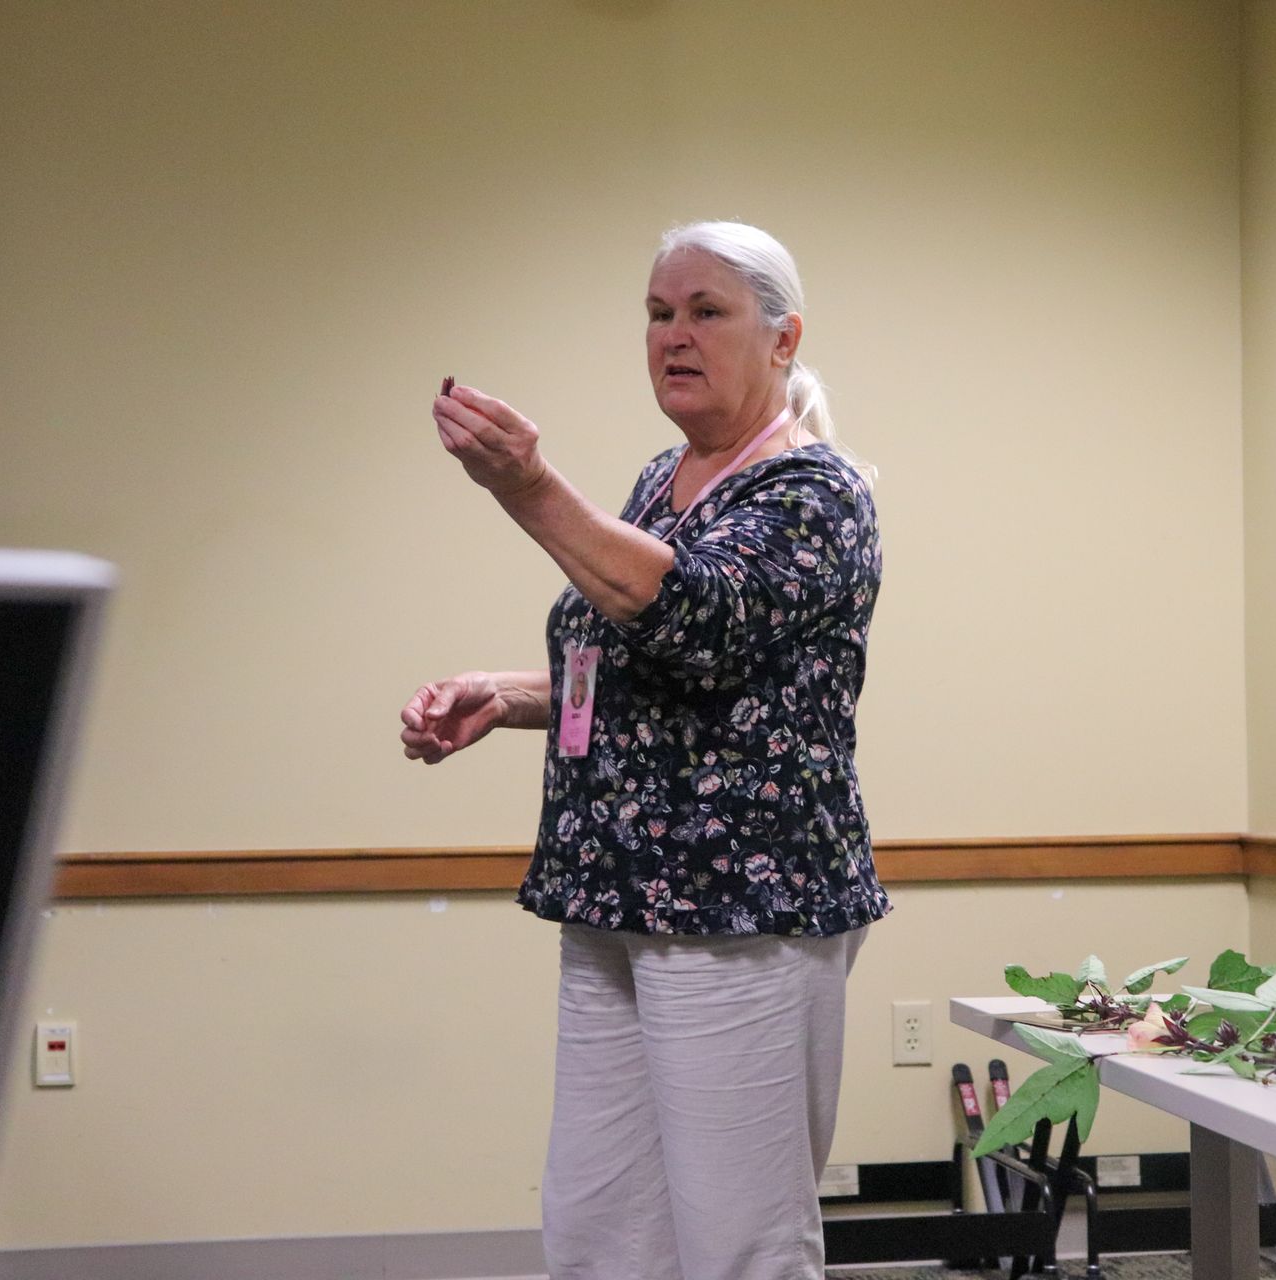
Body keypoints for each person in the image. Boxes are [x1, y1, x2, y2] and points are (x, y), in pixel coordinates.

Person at [398, 221, 888, 1280]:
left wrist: (528, 486)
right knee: (600, 1225)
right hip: (615, 897)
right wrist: (509, 694)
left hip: (739, 914)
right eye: (659, 313)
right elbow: (642, 665)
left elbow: (694, 618)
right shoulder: (660, 481)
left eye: (707, 311)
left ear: (782, 336)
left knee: (739, 1237)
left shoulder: (814, 495)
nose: (675, 334)